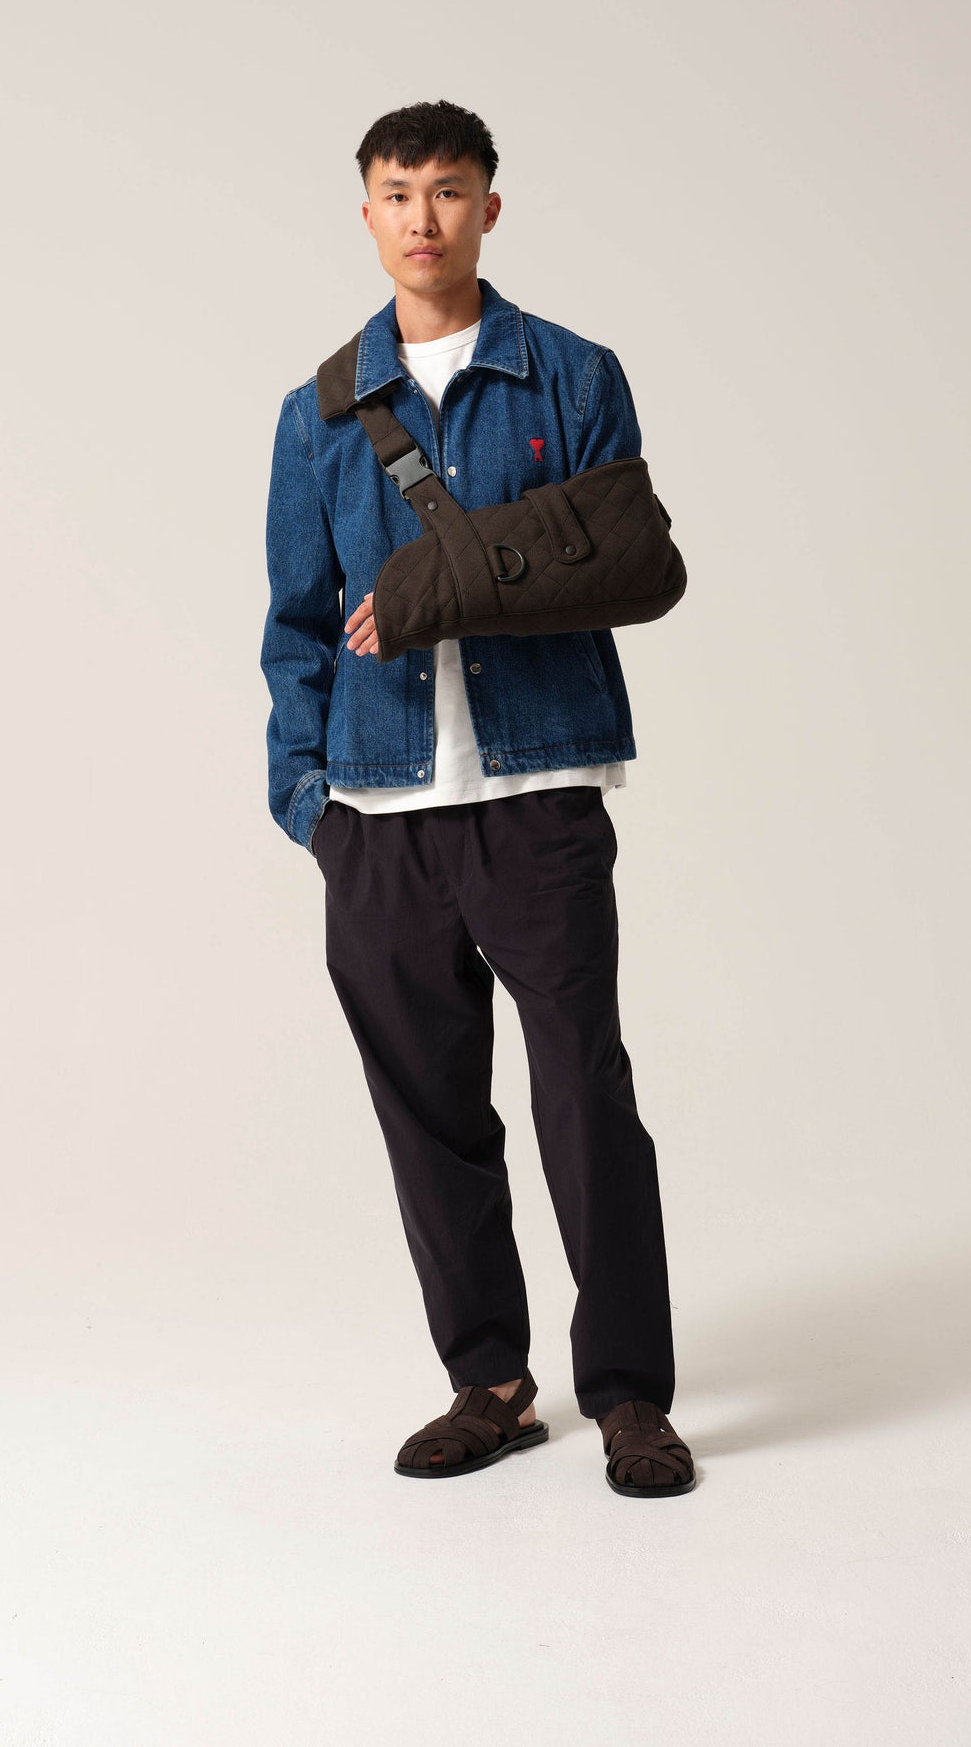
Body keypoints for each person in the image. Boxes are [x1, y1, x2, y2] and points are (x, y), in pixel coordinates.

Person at [259, 99, 695, 1499]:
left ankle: (627, 1392)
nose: (424, 217)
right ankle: (490, 1385)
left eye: (449, 191)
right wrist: (308, 802)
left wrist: (451, 586)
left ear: (490, 208)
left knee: (583, 1095)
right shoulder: (318, 412)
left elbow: (619, 562)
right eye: (398, 193)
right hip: (377, 814)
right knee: (427, 1109)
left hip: (538, 788)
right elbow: (298, 621)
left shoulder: (571, 377)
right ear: (367, 213)